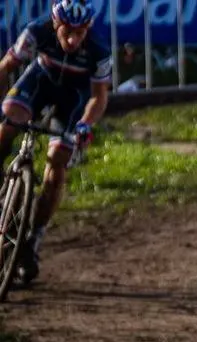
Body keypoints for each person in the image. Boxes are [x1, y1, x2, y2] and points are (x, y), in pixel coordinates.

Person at [0, 0, 110, 284]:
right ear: (55, 25)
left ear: (87, 28)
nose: (73, 39)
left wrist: (86, 124)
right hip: (39, 83)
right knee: (8, 120)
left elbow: (99, 97)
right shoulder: (37, 31)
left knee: (57, 163)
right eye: (67, 32)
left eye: (79, 32)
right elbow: (6, 66)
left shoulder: (98, 50)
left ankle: (32, 239)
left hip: (73, 100)